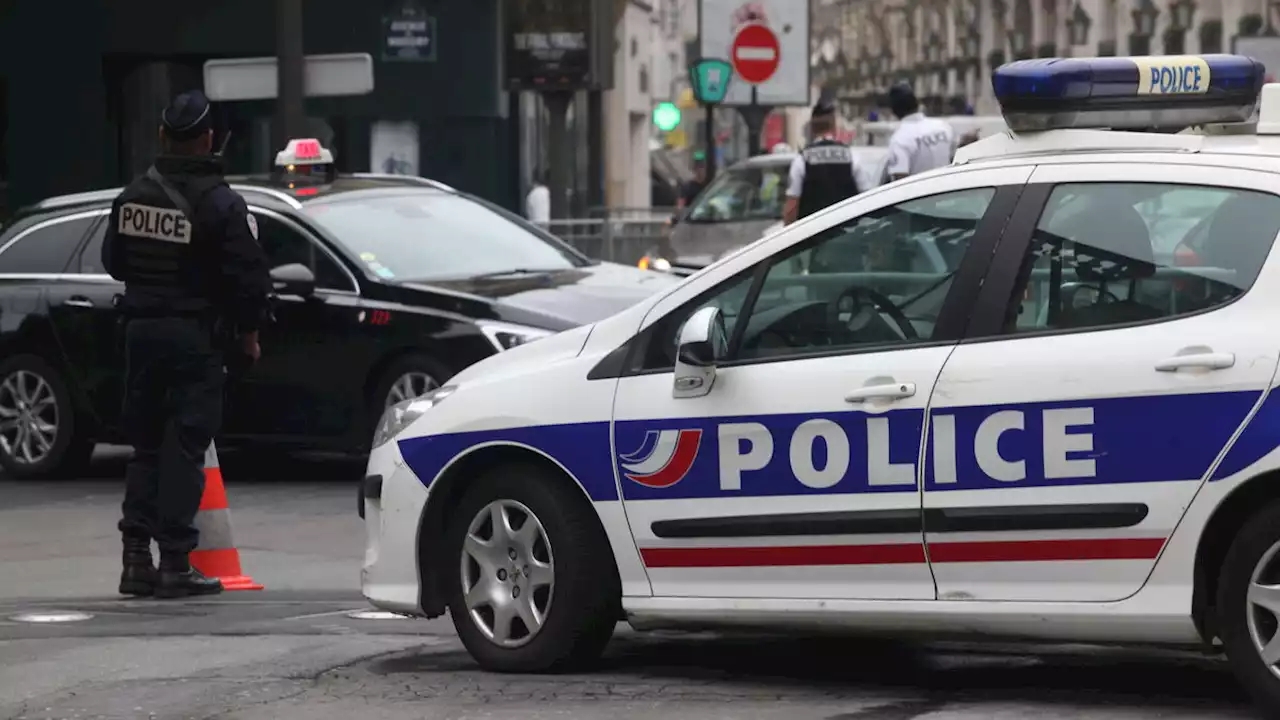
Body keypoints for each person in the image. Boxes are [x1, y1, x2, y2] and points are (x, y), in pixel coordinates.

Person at [102, 90, 272, 599]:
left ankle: (136, 560)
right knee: (183, 447)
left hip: (140, 335)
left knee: (146, 447)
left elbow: (115, 262)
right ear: (208, 139)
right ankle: (176, 562)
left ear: (162, 138)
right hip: (193, 339)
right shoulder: (220, 203)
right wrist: (248, 334)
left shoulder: (132, 196)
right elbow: (249, 281)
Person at [783, 100, 861, 225]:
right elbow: (866, 196)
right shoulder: (850, 156)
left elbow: (792, 206)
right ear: (834, 125)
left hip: (813, 237)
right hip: (846, 234)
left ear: (813, 128)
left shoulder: (802, 159)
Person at [885, 82, 957, 182]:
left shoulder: (899, 140)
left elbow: (899, 182)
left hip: (921, 196)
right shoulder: (943, 127)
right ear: (917, 104)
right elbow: (956, 160)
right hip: (950, 193)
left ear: (893, 111)